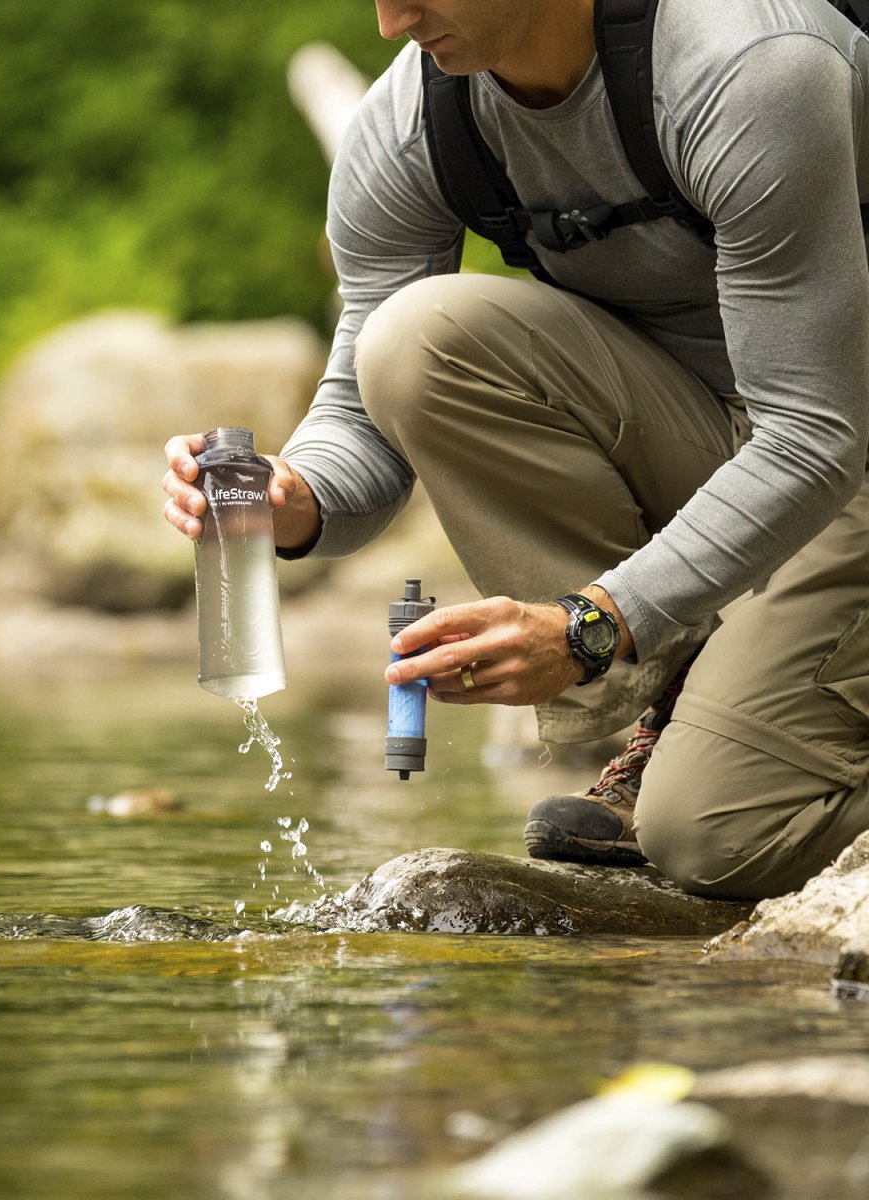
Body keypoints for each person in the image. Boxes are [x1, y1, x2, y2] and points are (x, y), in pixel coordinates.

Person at [163, 0, 869, 901]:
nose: (390, 21)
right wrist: (295, 498)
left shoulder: (750, 67)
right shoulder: (412, 123)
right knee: (414, 338)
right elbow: (359, 411)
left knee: (712, 840)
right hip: (743, 447)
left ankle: (724, 738)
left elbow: (815, 435)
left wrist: (592, 621)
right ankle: (679, 694)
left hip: (835, 442)